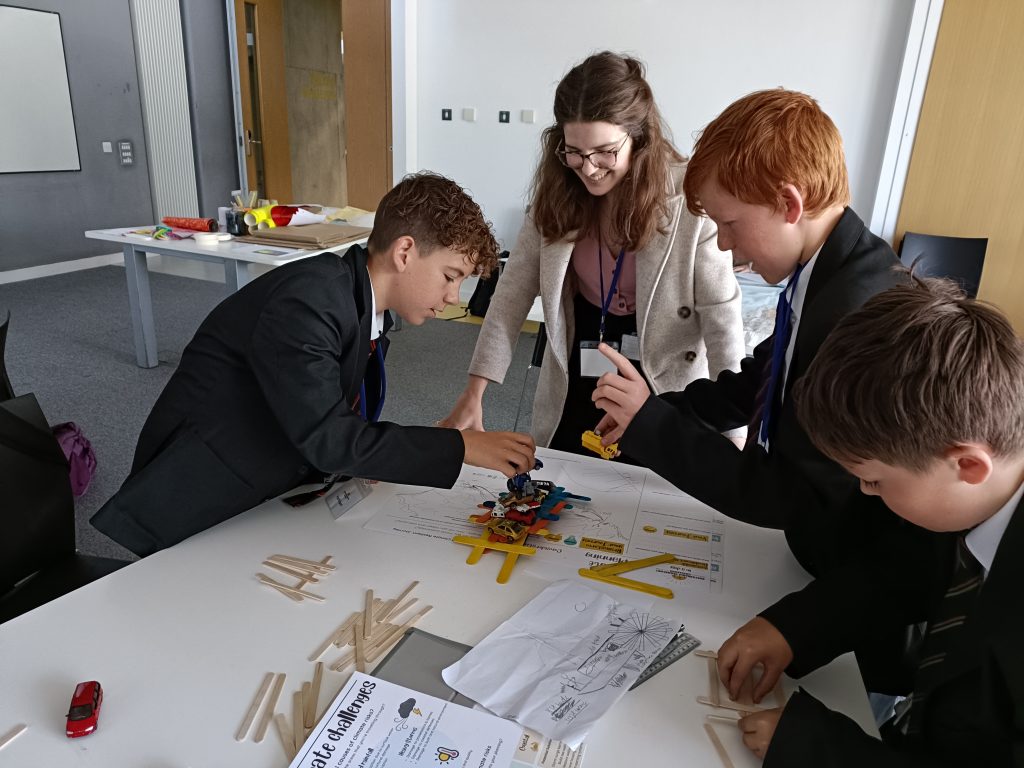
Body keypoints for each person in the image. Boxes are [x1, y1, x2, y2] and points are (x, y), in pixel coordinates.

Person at [591, 89, 936, 691]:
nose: (725, 245)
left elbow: (790, 492)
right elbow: (760, 380)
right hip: (814, 556)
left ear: (788, 203)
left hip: (855, 591)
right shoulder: (830, 272)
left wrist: (653, 427)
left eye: (729, 224)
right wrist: (660, 408)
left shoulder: (853, 314)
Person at [92, 173, 536, 557]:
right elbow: (330, 436)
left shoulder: (363, 307)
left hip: (272, 479)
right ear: (405, 252)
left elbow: (334, 417)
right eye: (450, 276)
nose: (453, 297)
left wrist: (408, 451)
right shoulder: (309, 302)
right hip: (201, 495)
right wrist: (459, 447)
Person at [730, 278, 1024, 765]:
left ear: (969, 466)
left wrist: (823, 750)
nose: (867, 494)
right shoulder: (980, 491)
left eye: (874, 481)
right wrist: (794, 627)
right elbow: (909, 568)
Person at [440, 51, 744, 454]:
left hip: (662, 372)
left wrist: (734, 438)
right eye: (574, 152)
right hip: (583, 350)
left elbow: (723, 320)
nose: (589, 168)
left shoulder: (687, 197)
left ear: (638, 137)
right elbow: (510, 296)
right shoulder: (556, 193)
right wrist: (474, 391)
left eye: (605, 151)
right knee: (566, 464)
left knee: (650, 477)